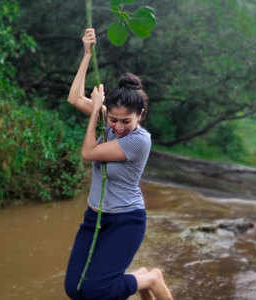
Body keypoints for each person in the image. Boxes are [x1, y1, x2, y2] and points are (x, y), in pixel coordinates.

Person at [64, 28, 174, 300]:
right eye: (113, 119)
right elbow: (75, 98)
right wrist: (87, 54)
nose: (118, 126)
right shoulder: (109, 117)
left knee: (97, 290)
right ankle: (143, 282)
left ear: (141, 115)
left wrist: (97, 114)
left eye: (126, 121)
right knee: (75, 289)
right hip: (95, 217)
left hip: (126, 220)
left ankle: (150, 278)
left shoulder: (139, 141)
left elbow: (89, 152)